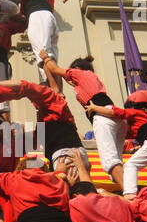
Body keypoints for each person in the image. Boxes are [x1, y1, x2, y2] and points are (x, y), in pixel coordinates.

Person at [38, 53, 125, 189]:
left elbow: (55, 73)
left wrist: (44, 57)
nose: (68, 80)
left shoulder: (80, 74)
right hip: (111, 115)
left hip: (70, 150)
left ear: (76, 68)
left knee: (110, 162)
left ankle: (130, 194)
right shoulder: (92, 80)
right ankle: (129, 190)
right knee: (115, 165)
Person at [15, 0, 68, 91]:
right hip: (47, 16)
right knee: (52, 57)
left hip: (38, 16)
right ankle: (58, 90)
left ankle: (55, 89)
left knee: (43, 54)